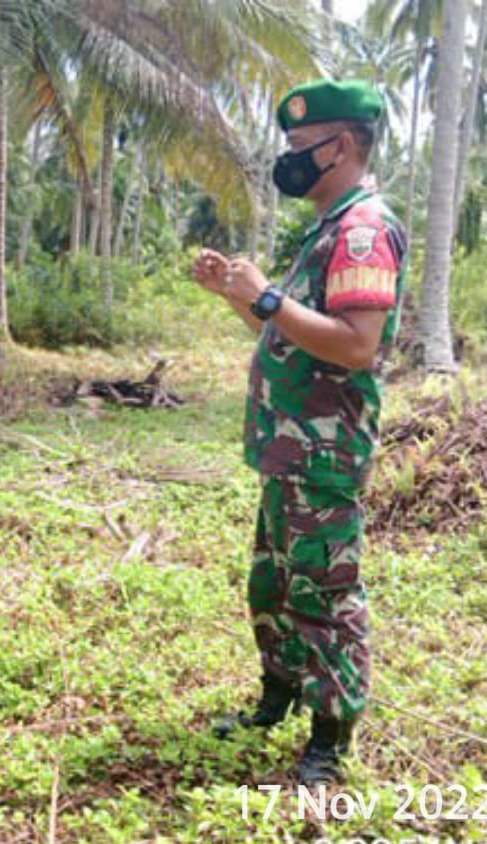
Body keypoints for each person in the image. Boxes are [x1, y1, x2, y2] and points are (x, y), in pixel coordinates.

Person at [192, 80, 408, 785]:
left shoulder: (364, 231)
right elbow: (286, 333)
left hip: (326, 452)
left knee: (325, 590)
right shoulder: (328, 227)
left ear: (339, 146)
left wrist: (270, 297)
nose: (287, 162)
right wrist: (240, 297)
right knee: (276, 583)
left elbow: (354, 345)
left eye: (298, 149)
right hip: (290, 449)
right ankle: (278, 696)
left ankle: (330, 735)